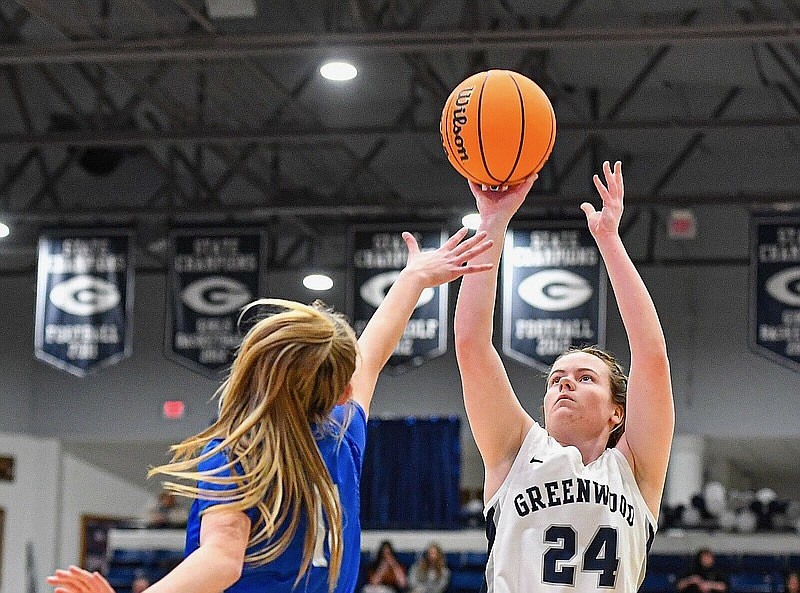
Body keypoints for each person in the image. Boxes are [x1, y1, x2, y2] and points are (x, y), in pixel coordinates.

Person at [46, 227, 496, 593]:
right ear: (338, 393)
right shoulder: (343, 434)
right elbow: (373, 356)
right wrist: (413, 279)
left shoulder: (241, 450)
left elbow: (222, 560)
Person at [454, 161, 674, 592]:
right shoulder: (516, 449)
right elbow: (471, 345)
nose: (564, 383)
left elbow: (651, 358)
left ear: (617, 413)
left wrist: (609, 241)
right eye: (556, 378)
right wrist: (493, 222)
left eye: (585, 378)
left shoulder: (635, 469)